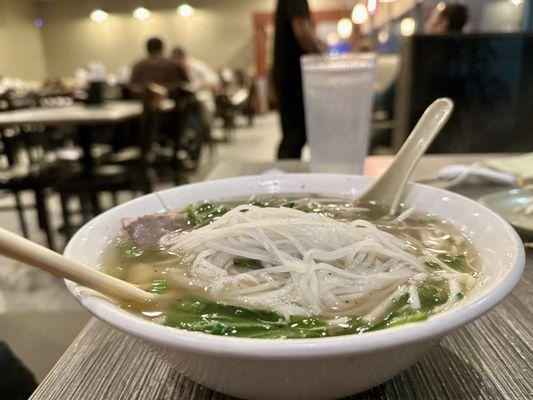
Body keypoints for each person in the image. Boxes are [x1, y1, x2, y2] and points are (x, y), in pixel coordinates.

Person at [273, 0, 323, 159]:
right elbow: (301, 31)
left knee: (294, 135)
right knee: (294, 136)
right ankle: (284, 179)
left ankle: (285, 177)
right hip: (294, 78)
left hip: (289, 76)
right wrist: (322, 58)